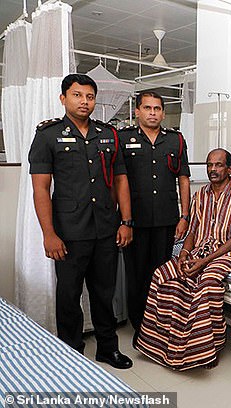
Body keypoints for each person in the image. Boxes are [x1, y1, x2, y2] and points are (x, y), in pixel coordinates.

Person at [28, 73, 133, 369]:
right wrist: (48, 234)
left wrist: (126, 221)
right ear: (63, 98)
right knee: (69, 295)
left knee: (104, 293)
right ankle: (72, 353)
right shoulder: (48, 135)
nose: (84, 101)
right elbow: (40, 188)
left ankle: (107, 348)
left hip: (105, 229)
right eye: (77, 95)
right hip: (70, 232)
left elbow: (121, 180)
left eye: (89, 96)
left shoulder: (108, 134)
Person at [135, 149, 231, 370]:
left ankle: (208, 349)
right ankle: (160, 343)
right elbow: (192, 233)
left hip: (228, 251)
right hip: (200, 249)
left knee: (206, 282)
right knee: (163, 273)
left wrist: (204, 261)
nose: (213, 170)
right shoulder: (200, 195)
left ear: (229, 169)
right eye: (209, 165)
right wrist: (184, 254)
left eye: (218, 165)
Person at [119, 91, 191, 334]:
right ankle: (140, 328)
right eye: (147, 108)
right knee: (137, 276)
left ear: (163, 112)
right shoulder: (122, 138)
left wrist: (185, 216)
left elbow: (183, 180)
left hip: (166, 219)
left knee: (162, 274)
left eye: (157, 108)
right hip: (134, 222)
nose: (153, 113)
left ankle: (159, 325)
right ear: (137, 111)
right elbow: (118, 181)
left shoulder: (176, 140)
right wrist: (122, 220)